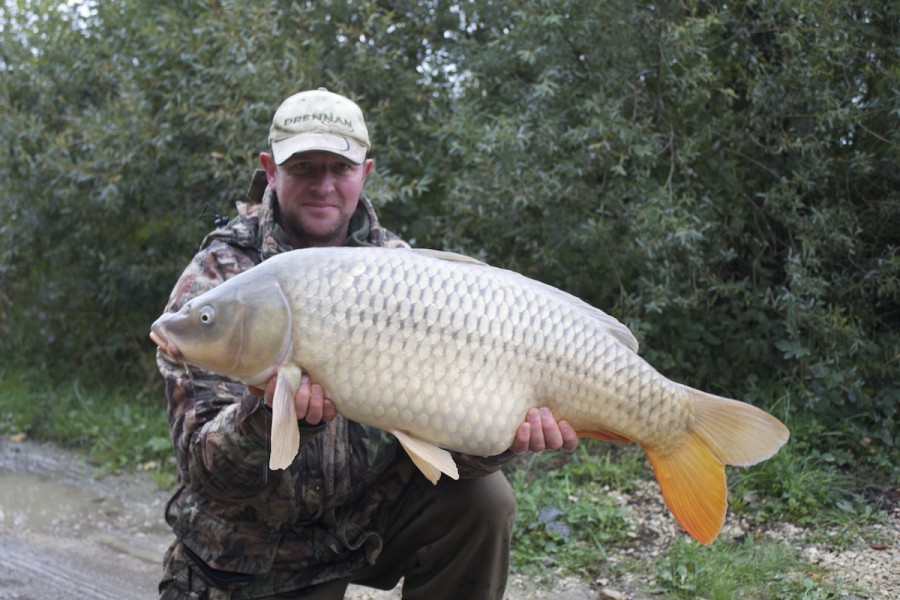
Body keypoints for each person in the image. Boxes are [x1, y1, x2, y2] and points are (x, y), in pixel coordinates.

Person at [156, 88, 579, 600]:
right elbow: (208, 474)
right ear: (270, 170)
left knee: (484, 501)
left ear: (366, 172)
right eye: (304, 167)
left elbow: (447, 451)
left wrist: (506, 438)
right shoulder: (219, 283)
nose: (324, 185)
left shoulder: (403, 273)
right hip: (252, 551)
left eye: (340, 167)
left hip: (361, 526)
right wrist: (269, 416)